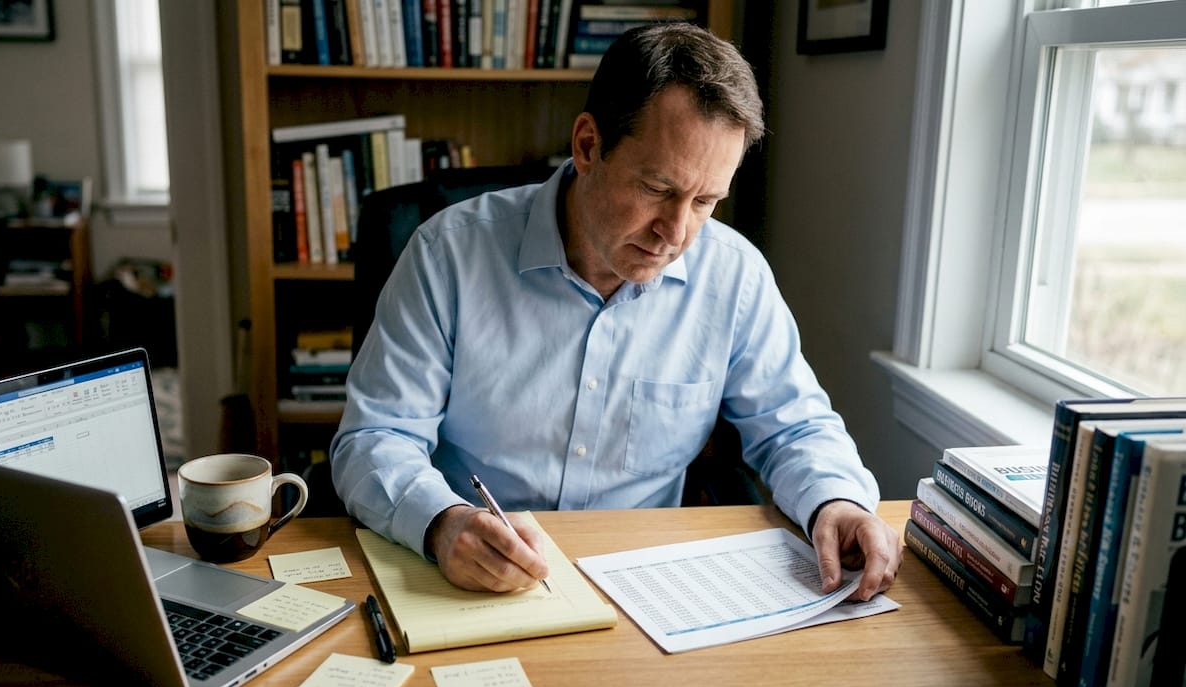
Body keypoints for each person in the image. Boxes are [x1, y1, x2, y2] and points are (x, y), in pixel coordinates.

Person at [331, 22, 902, 599]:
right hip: (470, 579)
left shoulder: (734, 276)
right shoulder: (447, 254)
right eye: (657, 188)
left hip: (644, 591)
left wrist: (837, 499)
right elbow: (376, 436)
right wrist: (440, 522)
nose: (676, 232)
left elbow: (794, 426)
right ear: (587, 145)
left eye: (705, 201)